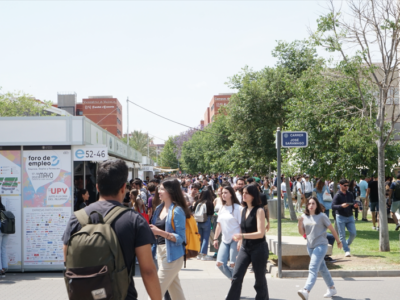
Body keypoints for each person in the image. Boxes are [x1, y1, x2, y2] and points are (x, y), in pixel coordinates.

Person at [62, 159, 161, 300]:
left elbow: (67, 257)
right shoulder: (134, 220)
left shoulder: (76, 218)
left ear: (97, 187)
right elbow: (148, 270)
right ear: (123, 188)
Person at [226, 184, 269, 300]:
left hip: (259, 248)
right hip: (245, 248)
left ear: (253, 195)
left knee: (259, 279)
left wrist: (242, 236)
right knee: (236, 276)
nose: (243, 195)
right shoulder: (243, 209)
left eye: (246, 193)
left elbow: (261, 233)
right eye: (242, 192)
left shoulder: (259, 210)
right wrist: (241, 241)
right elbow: (243, 227)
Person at [150, 178, 190, 300]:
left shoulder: (177, 210)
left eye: (162, 189)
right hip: (160, 252)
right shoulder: (158, 208)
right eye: (159, 188)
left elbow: (181, 238)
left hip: (172, 255)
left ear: (170, 191)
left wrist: (160, 232)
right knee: (175, 291)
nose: (159, 191)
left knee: (156, 290)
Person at [297, 197, 342, 300]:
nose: (311, 205)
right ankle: (332, 288)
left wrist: (338, 241)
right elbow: (302, 233)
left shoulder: (322, 216)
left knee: (313, 268)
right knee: (322, 268)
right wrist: (300, 224)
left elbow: (332, 229)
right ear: (307, 205)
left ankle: (306, 290)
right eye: (309, 203)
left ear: (316, 205)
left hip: (321, 245)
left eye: (313, 203)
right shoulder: (304, 217)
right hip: (310, 246)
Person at [213, 186, 242, 279]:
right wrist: (215, 238)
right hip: (225, 240)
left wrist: (241, 240)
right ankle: (234, 281)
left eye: (225, 193)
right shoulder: (222, 207)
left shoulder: (238, 208)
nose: (223, 195)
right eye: (222, 193)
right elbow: (219, 224)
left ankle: (235, 288)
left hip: (235, 239)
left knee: (233, 264)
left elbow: (242, 226)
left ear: (231, 194)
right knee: (219, 263)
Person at [332, 179, 358, 257]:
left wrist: (355, 206)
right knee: (342, 235)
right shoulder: (337, 195)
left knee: (353, 233)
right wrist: (341, 206)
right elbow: (333, 206)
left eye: (347, 185)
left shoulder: (350, 194)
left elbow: (352, 204)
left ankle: (346, 244)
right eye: (345, 185)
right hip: (340, 216)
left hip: (350, 216)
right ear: (340, 185)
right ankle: (346, 250)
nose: (346, 187)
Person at [193, 187, 215, 261]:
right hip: (206, 220)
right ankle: (204, 254)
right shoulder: (209, 202)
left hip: (198, 221)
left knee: (200, 237)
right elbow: (212, 212)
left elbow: (193, 210)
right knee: (206, 238)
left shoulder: (198, 202)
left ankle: (198, 253)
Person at [0, 196, 9, 278]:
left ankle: (0, 269)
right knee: (3, 249)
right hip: (6, 231)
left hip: (0, 230)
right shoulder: (3, 207)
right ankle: (4, 268)